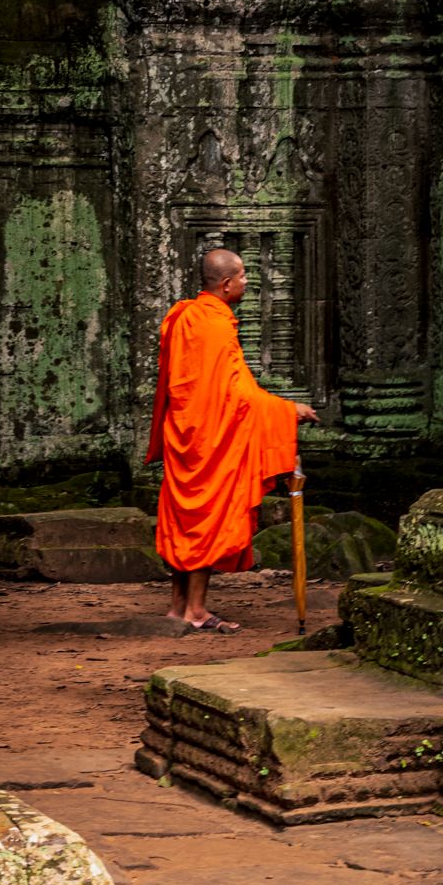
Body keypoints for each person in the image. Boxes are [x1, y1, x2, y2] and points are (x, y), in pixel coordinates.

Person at [147, 247, 318, 631]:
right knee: (207, 519)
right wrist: (287, 410)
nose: (246, 282)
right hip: (211, 441)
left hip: (186, 435)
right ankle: (195, 611)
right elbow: (236, 394)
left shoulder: (182, 317)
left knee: (186, 520)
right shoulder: (214, 324)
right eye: (242, 277)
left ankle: (178, 607)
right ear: (226, 285)